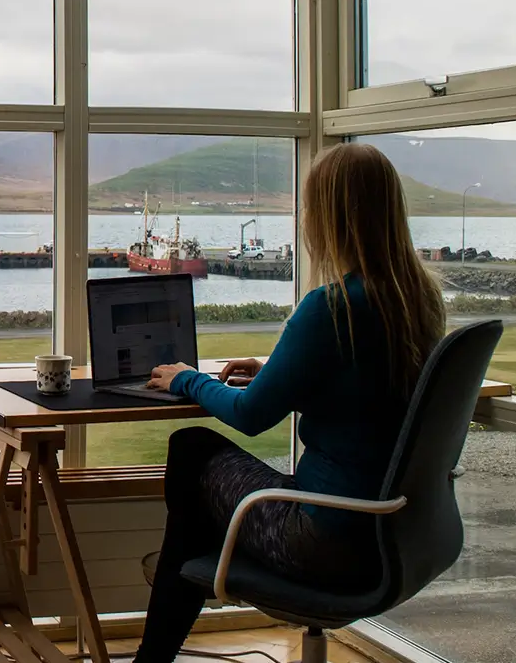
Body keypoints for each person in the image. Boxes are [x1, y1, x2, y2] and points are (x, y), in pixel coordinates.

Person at [135, 143, 446, 663]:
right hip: (398, 533)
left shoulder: (333, 308)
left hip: (322, 540)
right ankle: (190, 585)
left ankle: (167, 628)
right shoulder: (418, 301)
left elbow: (251, 417)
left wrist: (187, 379)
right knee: (196, 508)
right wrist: (281, 374)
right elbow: (366, 391)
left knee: (192, 449)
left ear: (328, 219)